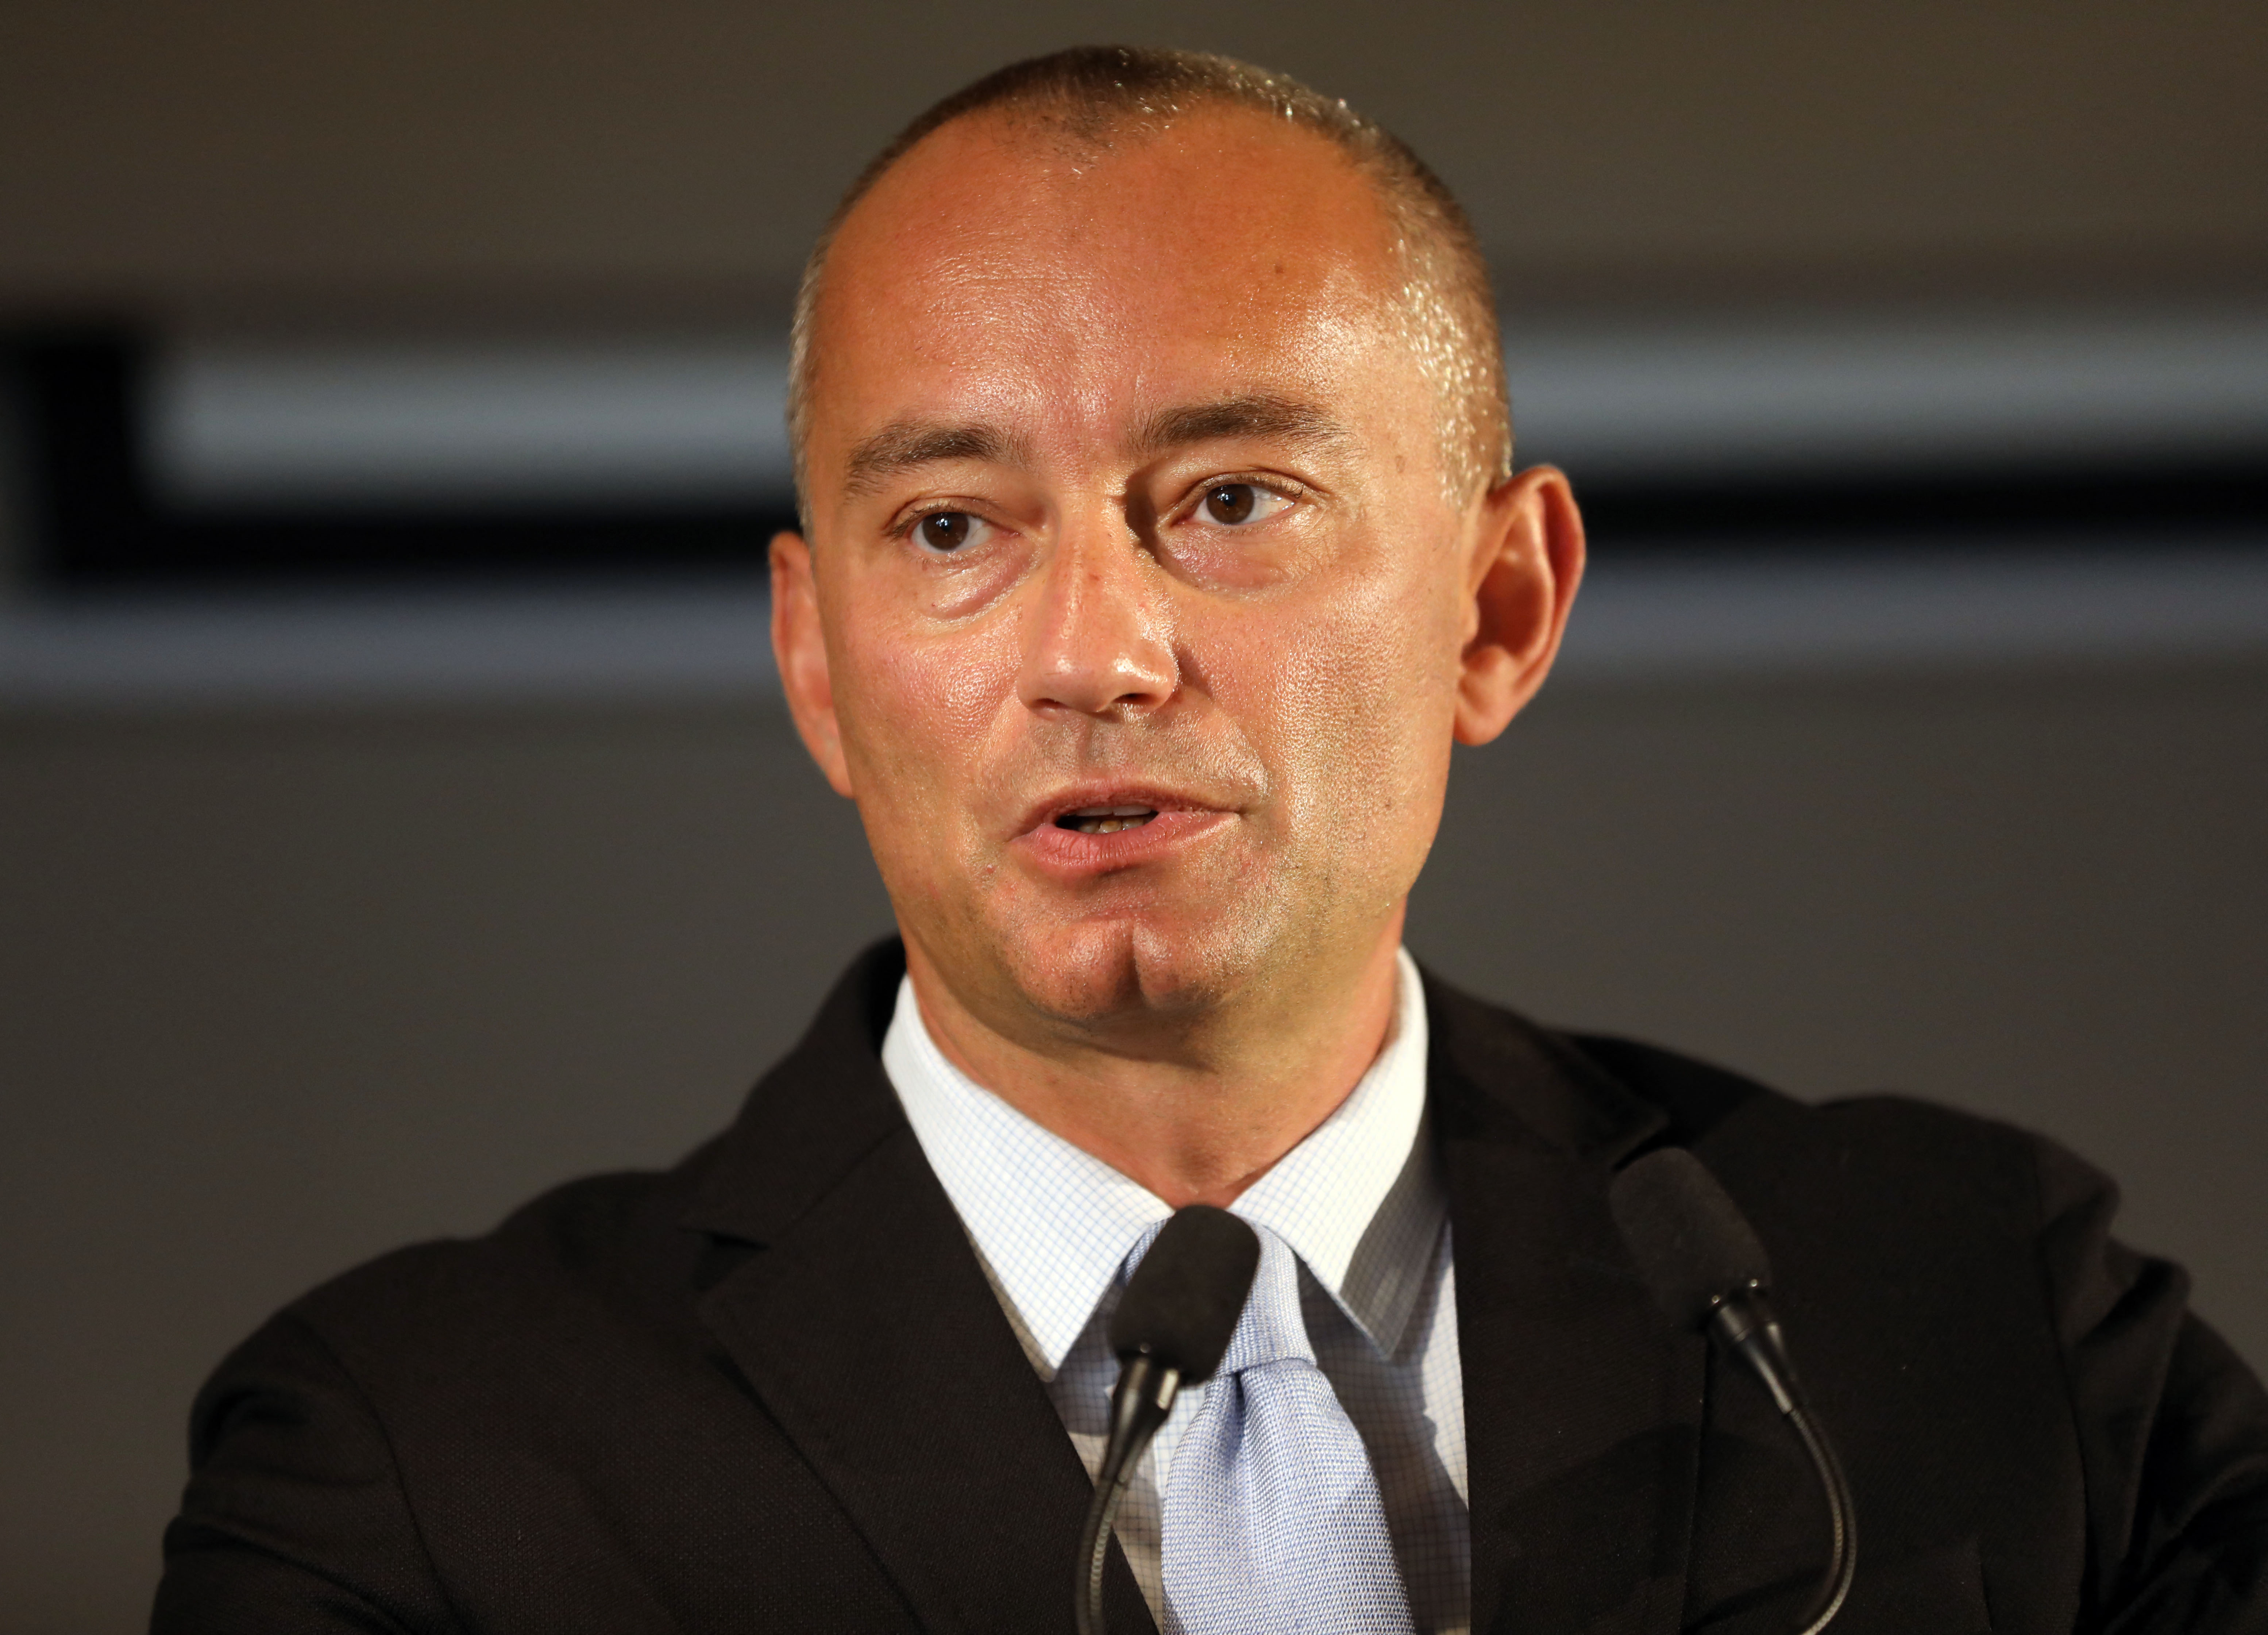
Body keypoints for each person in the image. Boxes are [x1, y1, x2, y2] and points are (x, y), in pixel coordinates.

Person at [153, 46, 2268, 1635]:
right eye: (954, 529)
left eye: (1233, 500)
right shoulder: (422, 1460)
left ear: (1500, 607)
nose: (1096, 651)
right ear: (821, 666)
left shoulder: (1971, 1312)